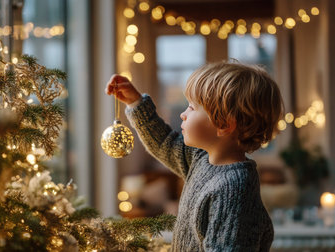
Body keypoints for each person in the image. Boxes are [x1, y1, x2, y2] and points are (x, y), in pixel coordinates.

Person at [105, 61, 284, 251]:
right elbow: (165, 143)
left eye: (192, 107)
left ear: (224, 124)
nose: (183, 114)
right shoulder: (201, 160)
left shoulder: (234, 187)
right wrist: (136, 102)